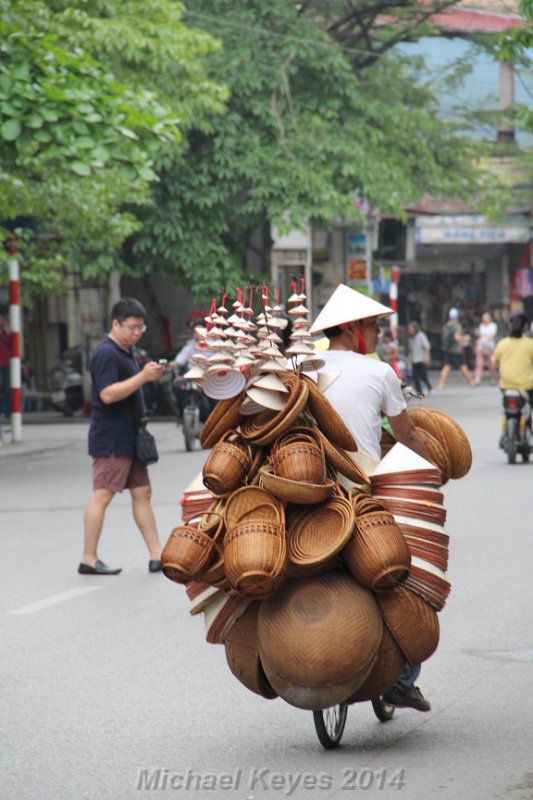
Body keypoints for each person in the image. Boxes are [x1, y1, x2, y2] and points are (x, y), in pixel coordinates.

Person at [309, 283, 432, 712]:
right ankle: (402, 678)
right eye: (374, 326)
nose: (379, 334)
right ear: (352, 329)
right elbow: (408, 435)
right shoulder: (380, 373)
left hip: (307, 483)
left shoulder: (302, 365)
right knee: (408, 571)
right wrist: (428, 470)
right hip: (363, 487)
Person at [79, 298, 165, 576]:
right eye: (132, 327)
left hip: (131, 437)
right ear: (115, 324)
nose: (137, 333)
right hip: (112, 438)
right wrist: (142, 377)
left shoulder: (125, 351)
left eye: (141, 328)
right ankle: (88, 559)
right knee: (102, 495)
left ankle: (157, 555)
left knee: (143, 493)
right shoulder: (106, 353)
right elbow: (107, 394)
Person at [493, 312, 533, 410]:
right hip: (527, 385)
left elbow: (495, 365)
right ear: (525, 326)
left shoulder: (502, 344)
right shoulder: (530, 344)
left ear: (510, 326)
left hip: (506, 385)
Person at [436, 307, 475, 390]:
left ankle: (441, 384)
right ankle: (471, 382)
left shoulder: (447, 325)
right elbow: (457, 338)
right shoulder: (456, 326)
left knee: (447, 366)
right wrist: (465, 338)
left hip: (447, 349)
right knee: (462, 366)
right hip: (456, 350)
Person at [407, 321, 432, 396]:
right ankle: (419, 391)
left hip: (421, 359)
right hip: (414, 359)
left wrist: (426, 357)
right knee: (415, 377)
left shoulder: (421, 335)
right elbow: (411, 349)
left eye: (411, 328)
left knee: (423, 375)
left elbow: (427, 347)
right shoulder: (410, 338)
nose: (409, 330)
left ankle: (429, 387)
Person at [473, 311, 498, 385]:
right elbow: (479, 334)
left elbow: (492, 334)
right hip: (481, 347)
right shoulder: (481, 326)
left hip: (490, 346)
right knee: (479, 363)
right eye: (483, 318)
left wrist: (484, 339)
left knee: (491, 363)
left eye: (486, 317)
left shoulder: (493, 325)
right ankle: (477, 378)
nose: (485, 319)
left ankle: (493, 378)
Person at [0, 314, 12, 418]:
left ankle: (7, 411)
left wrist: (7, 330)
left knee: (7, 389)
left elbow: (13, 344)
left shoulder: (6, 334)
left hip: (6, 363)